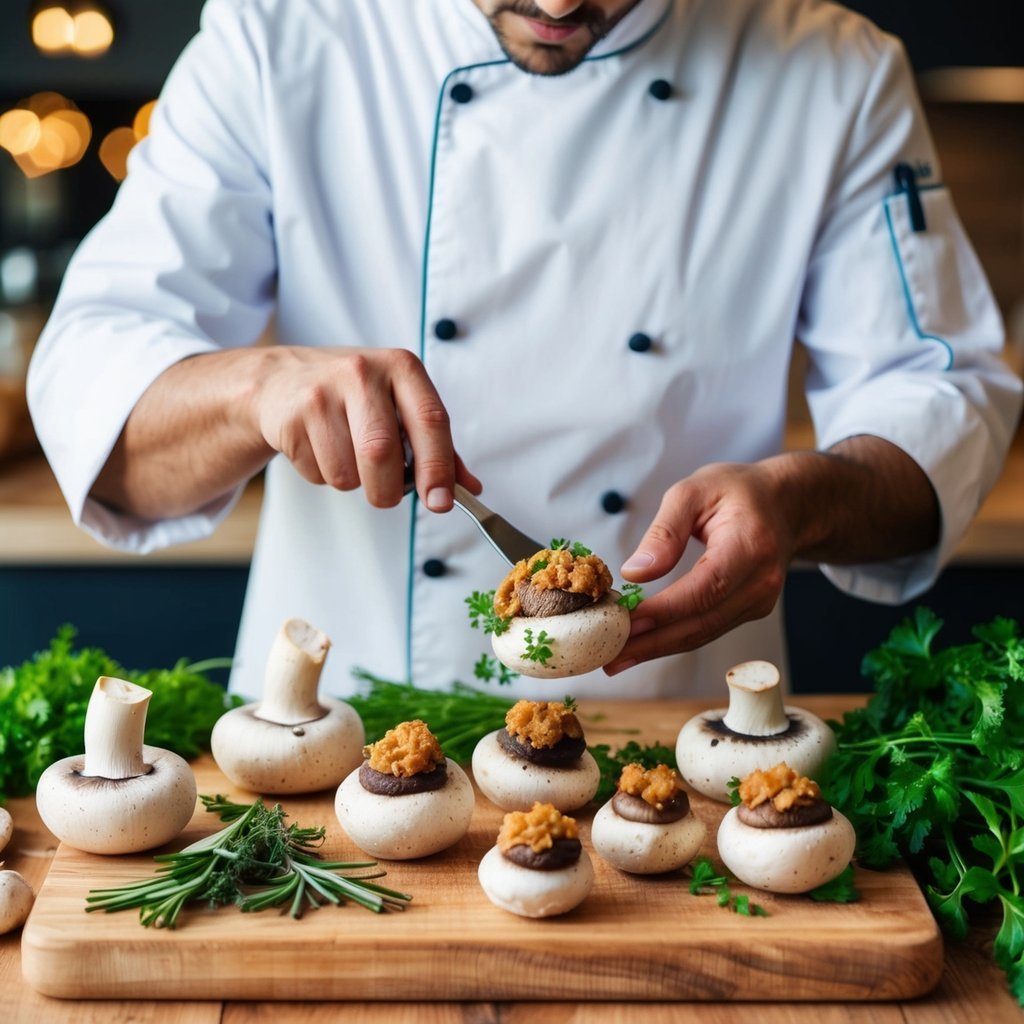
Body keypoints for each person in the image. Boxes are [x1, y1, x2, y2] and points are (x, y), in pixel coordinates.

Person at [27, 0, 1022, 701]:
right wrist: (251, 388)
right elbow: (93, 403)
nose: (557, 0)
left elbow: (942, 398)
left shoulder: (832, 72)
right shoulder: (275, 38)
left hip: (675, 735)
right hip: (333, 745)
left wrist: (802, 503)